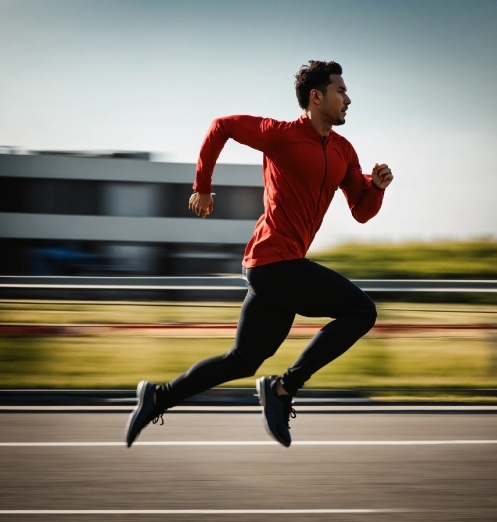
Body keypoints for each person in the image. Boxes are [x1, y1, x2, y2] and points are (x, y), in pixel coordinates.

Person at [124, 60, 394, 448]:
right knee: (361, 311)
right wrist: (202, 186)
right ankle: (284, 389)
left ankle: (158, 396)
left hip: (274, 270)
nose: (348, 99)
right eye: (340, 91)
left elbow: (361, 211)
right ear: (316, 97)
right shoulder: (281, 135)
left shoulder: (343, 151)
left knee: (242, 360)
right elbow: (222, 126)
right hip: (274, 262)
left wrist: (378, 188)